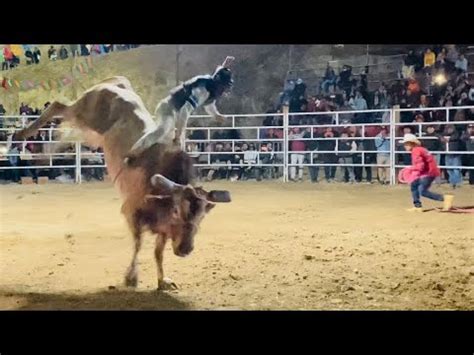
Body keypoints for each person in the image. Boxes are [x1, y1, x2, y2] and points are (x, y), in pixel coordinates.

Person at [125, 56, 235, 163]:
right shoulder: (202, 90)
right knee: (162, 130)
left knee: (179, 148)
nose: (224, 90)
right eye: (223, 86)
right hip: (168, 108)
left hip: (174, 112)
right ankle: (133, 152)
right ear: (218, 84)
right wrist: (178, 135)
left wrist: (216, 115)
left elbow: (209, 105)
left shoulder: (210, 88)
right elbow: (184, 111)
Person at [399, 133, 453, 212]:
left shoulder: (416, 151)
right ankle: (417, 206)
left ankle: (444, 198)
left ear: (412, 144)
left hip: (428, 172)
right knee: (414, 185)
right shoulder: (420, 149)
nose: (405, 146)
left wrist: (410, 169)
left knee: (422, 191)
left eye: (406, 144)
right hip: (429, 171)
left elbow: (420, 166)